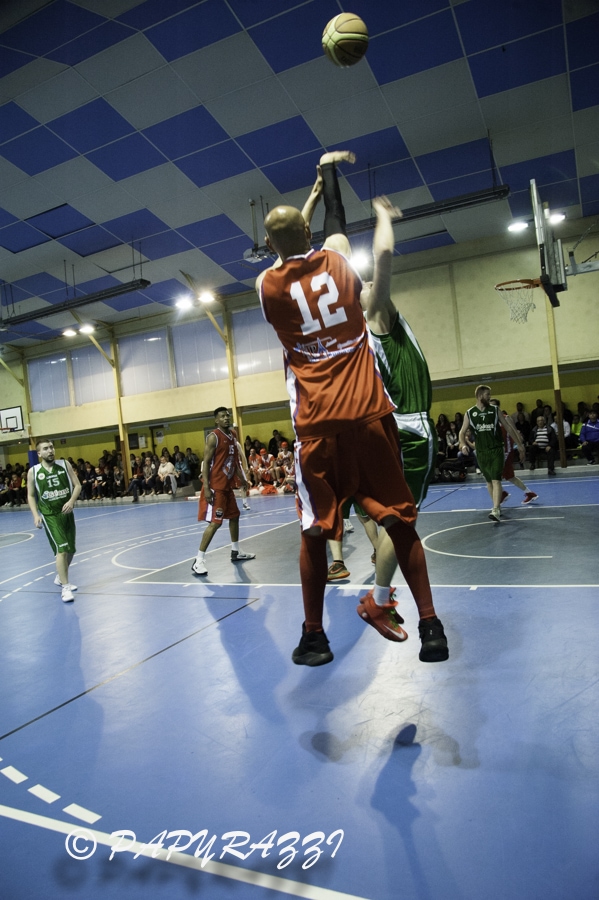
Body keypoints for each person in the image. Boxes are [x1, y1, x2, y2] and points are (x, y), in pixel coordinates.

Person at [257, 151, 447, 666]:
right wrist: (378, 213)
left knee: (314, 532)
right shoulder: (340, 264)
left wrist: (311, 197)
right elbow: (373, 251)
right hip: (370, 417)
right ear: (310, 235)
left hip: (318, 428)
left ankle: (314, 637)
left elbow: (285, 249)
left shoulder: (267, 287)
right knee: (400, 523)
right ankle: (431, 626)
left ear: (270, 247)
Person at [191, 408, 255, 576]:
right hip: (216, 486)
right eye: (222, 416)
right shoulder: (213, 437)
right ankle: (198, 560)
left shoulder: (232, 435)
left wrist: (242, 479)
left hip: (227, 486)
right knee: (216, 522)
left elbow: (234, 461)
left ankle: (235, 551)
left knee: (234, 516)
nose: (226, 418)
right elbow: (206, 463)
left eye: (227, 415)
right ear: (216, 420)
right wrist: (206, 488)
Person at [459, 385, 526, 521]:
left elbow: (509, 428)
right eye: (487, 395)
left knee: (496, 479)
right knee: (489, 481)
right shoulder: (470, 413)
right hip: (481, 452)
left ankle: (495, 509)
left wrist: (519, 444)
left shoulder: (495, 410)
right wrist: (462, 444)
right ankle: (497, 507)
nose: (490, 397)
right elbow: (461, 432)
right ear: (480, 396)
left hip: (496, 450)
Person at [27, 439, 81, 602]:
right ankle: (65, 587)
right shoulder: (33, 471)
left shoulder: (64, 465)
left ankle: (60, 577)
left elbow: (77, 486)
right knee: (61, 550)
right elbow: (31, 495)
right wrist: (36, 515)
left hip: (67, 513)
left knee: (71, 550)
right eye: (46, 448)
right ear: (39, 453)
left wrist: (71, 501)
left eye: (51, 447)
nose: (50, 450)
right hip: (50, 515)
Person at [490, 400, 538, 505]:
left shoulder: (506, 418)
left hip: (506, 450)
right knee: (509, 476)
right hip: (497, 451)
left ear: (498, 407)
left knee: (494, 476)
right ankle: (529, 493)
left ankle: (503, 494)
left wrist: (521, 447)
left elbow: (515, 432)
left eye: (493, 406)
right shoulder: (491, 420)